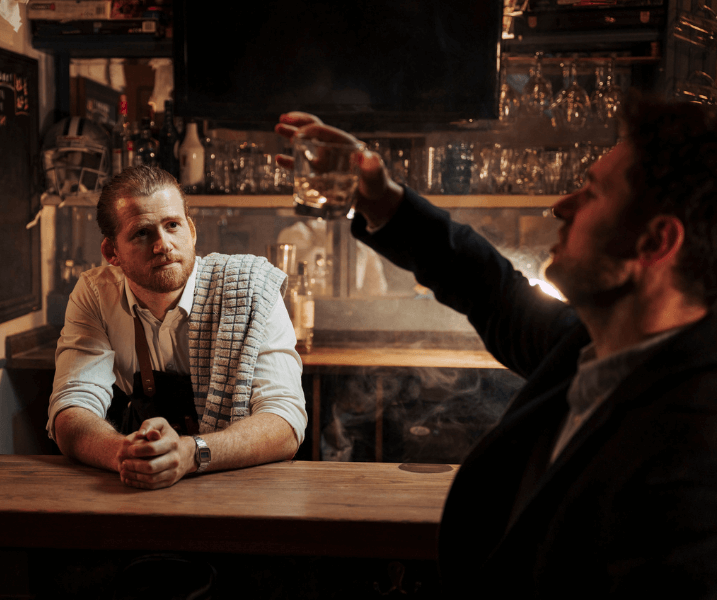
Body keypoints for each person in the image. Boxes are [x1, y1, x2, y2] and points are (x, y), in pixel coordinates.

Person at [276, 93, 717, 596]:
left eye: (592, 193)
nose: (561, 206)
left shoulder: (691, 451)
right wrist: (381, 199)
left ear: (656, 242)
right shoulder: (593, 347)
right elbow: (492, 289)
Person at [46, 165, 307, 490]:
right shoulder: (97, 293)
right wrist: (124, 453)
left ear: (192, 230)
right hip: (139, 486)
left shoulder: (252, 289)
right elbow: (71, 409)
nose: (163, 244)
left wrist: (191, 453)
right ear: (111, 252)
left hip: (240, 488)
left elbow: (284, 423)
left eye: (172, 225)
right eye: (142, 232)